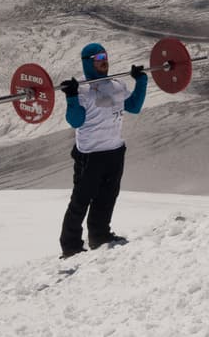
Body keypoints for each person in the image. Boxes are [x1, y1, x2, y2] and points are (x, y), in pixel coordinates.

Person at [58, 42, 148, 258]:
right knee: (81, 199)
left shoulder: (117, 85)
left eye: (105, 56)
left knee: (108, 196)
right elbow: (76, 121)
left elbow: (134, 106)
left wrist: (141, 81)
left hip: (114, 150)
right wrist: (71, 97)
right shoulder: (81, 90)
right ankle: (70, 246)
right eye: (98, 58)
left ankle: (100, 236)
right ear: (88, 63)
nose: (104, 61)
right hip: (90, 154)